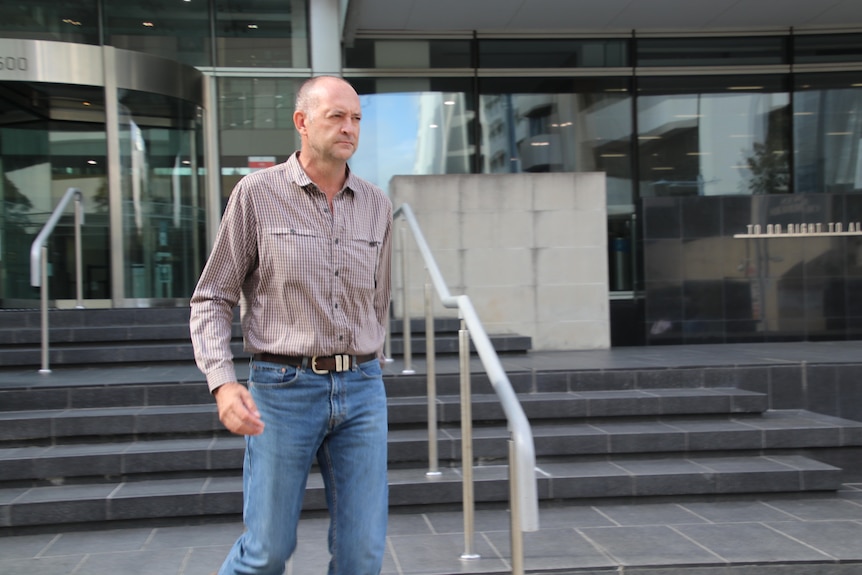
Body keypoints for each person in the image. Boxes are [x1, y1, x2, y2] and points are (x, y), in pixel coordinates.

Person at [190, 75, 392, 575]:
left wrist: (371, 361)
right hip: (282, 390)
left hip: (362, 389)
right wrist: (223, 383)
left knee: (362, 554)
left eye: (357, 118)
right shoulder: (256, 195)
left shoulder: (376, 204)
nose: (350, 128)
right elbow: (212, 295)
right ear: (302, 123)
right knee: (267, 553)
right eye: (336, 117)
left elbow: (378, 299)